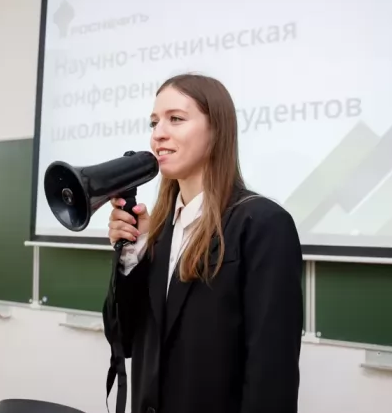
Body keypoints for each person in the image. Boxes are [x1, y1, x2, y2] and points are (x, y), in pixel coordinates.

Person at [102, 73, 303, 413]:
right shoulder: (160, 232)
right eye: (154, 122)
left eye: (176, 119)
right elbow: (125, 340)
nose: (158, 134)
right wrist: (135, 253)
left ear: (216, 131)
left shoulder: (262, 224)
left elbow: (271, 372)